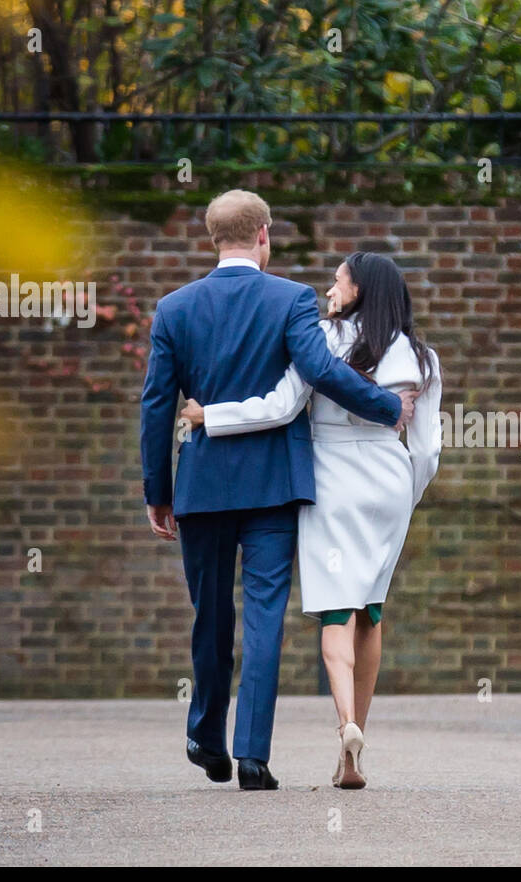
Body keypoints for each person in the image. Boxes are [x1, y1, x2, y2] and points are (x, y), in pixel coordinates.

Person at [140, 191, 417, 791]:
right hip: (273, 487)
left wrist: (157, 492)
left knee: (210, 615)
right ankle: (253, 757)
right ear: (263, 234)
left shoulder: (174, 308)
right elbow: (319, 371)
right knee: (264, 617)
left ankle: (204, 736)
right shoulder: (290, 299)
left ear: (214, 237)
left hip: (203, 484)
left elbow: (157, 405)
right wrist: (386, 405)